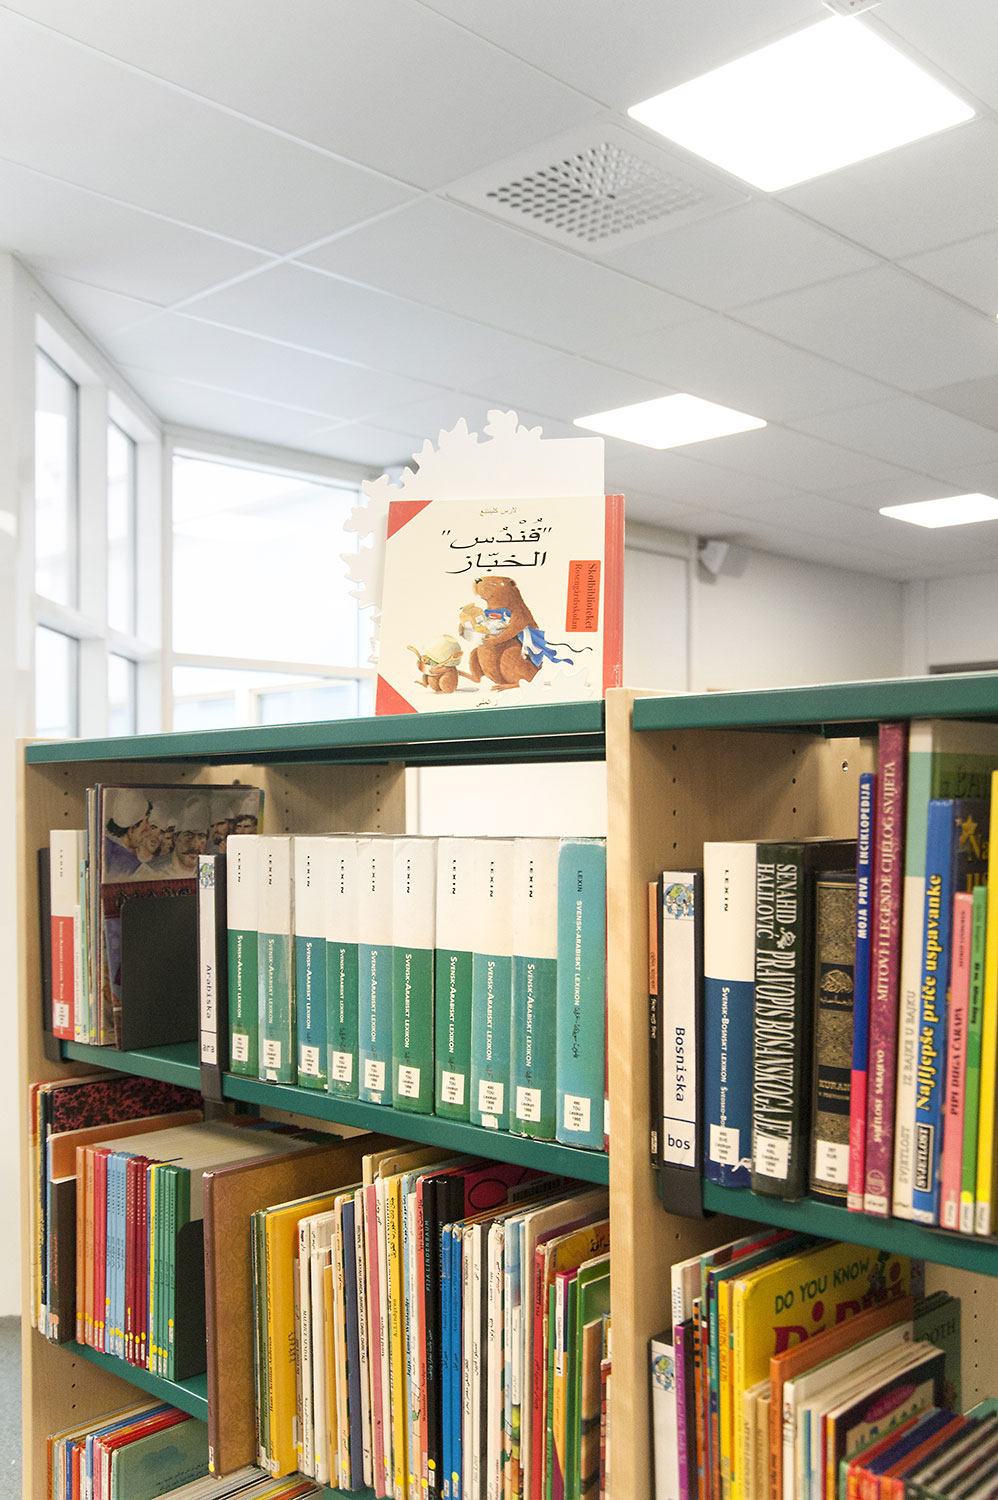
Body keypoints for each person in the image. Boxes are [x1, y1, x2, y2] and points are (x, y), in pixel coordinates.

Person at [103, 788, 153, 880]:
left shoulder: (103, 845)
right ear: (132, 829)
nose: (149, 829)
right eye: (146, 822)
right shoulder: (139, 872)